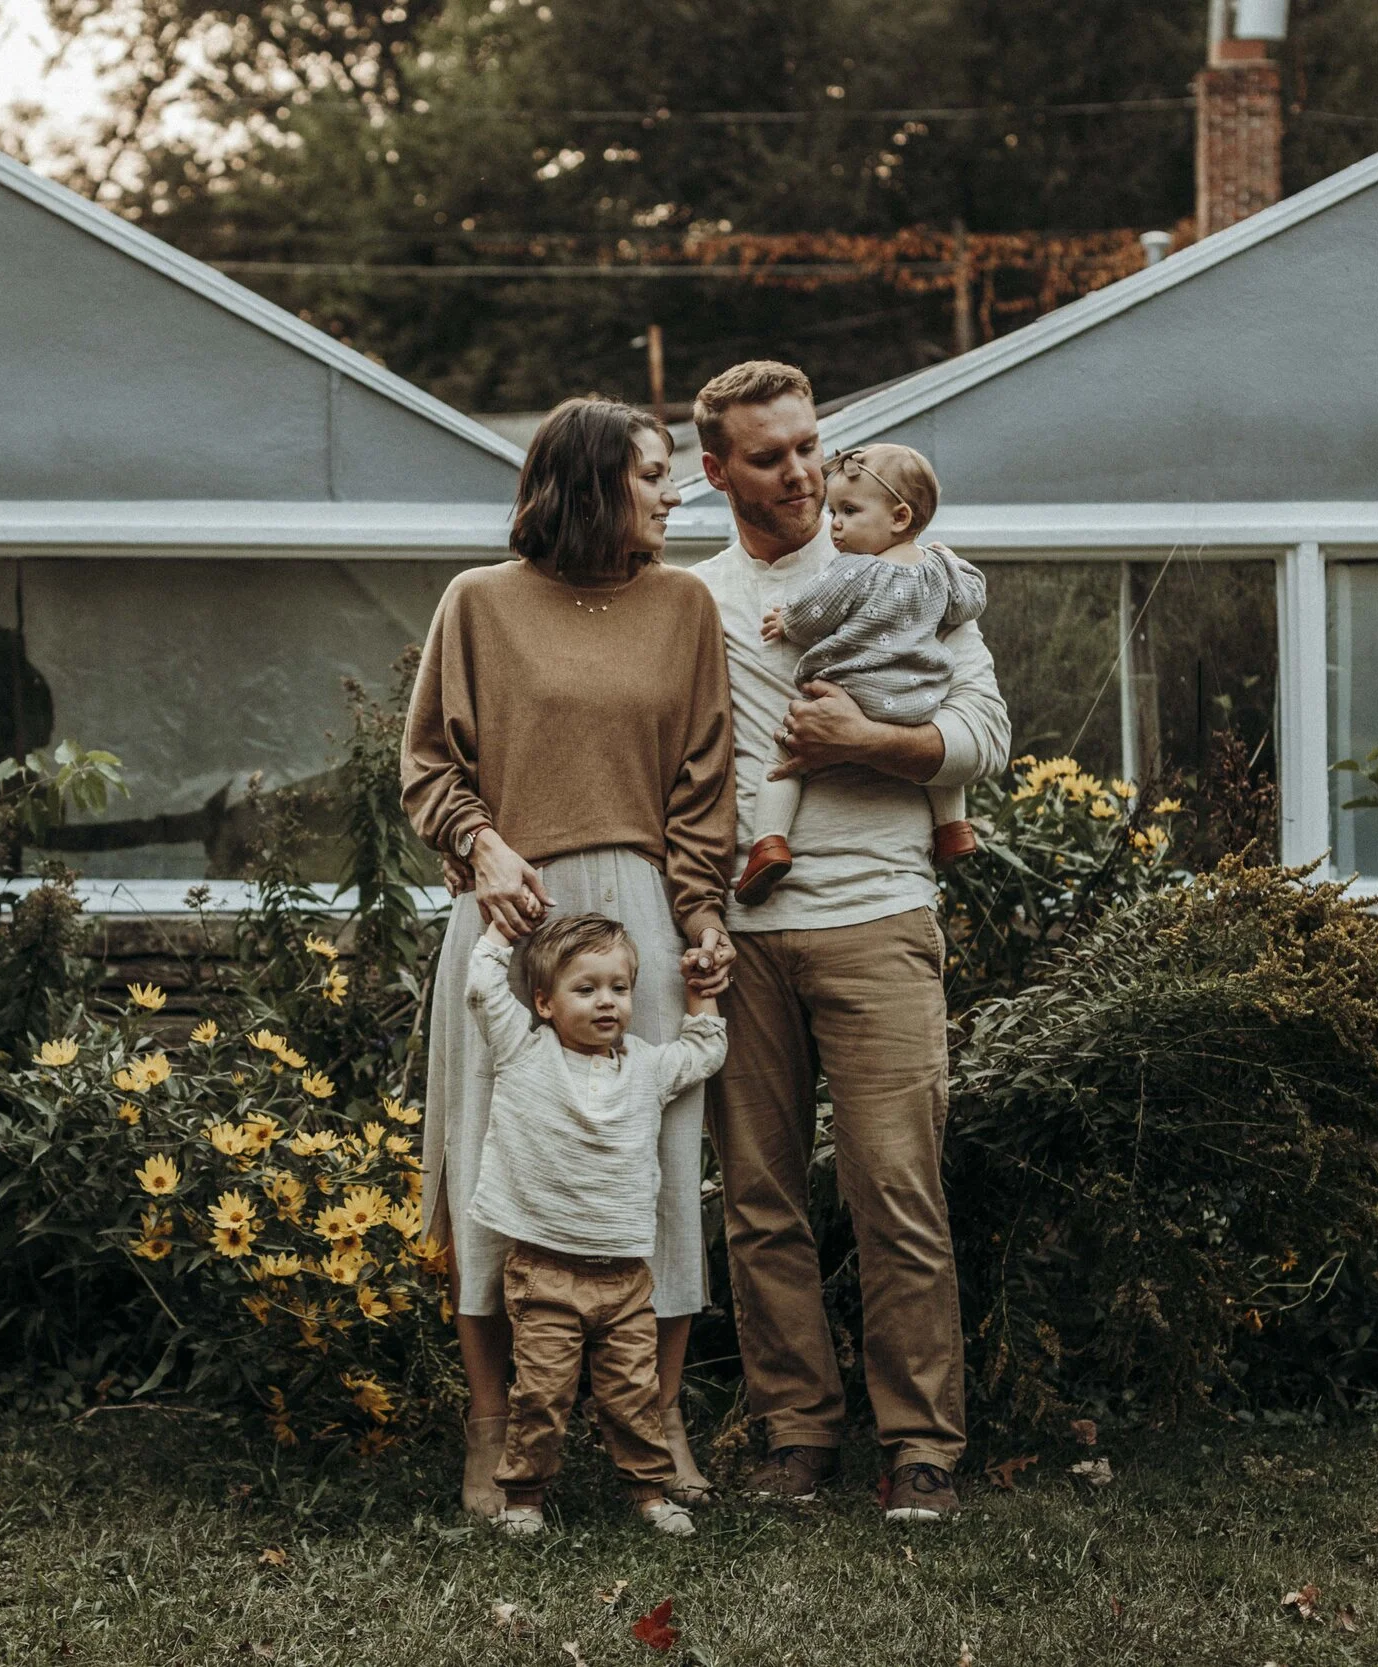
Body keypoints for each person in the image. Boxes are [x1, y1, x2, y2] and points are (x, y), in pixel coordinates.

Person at [402, 396, 739, 1521]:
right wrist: (481, 840)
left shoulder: (684, 605)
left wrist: (697, 913)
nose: (674, 491)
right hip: (508, 917)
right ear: (591, 483)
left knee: (656, 1161)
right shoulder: (478, 605)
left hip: (639, 912)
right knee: (494, 1157)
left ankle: (660, 1422)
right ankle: (493, 1430)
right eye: (653, 473)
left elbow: (701, 781)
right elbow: (426, 767)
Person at [686, 361, 1011, 1524]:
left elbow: (983, 732)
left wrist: (871, 738)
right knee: (760, 1199)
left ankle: (921, 1443)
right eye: (768, 456)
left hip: (878, 919)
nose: (803, 474)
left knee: (894, 1188)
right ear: (714, 471)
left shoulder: (900, 567)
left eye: (811, 446)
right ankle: (794, 1430)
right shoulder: (693, 600)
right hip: (741, 934)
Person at [462, 912, 728, 1538]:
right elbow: (480, 989)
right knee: (542, 1398)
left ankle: (650, 1493)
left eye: (619, 988)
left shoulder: (647, 1067)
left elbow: (705, 1050)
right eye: (585, 990)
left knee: (635, 1396)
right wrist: (500, 930)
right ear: (544, 1003)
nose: (606, 1002)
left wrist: (700, 990)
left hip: (626, 1278)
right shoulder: (523, 1050)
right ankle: (524, 1499)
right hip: (544, 1270)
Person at [739, 441, 988, 904]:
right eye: (834, 510)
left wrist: (786, 620)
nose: (833, 524)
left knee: (786, 757)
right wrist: (951, 559)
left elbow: (815, 612)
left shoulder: (855, 570)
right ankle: (953, 828)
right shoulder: (938, 570)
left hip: (855, 692)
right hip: (919, 701)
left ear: (898, 517)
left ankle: (769, 842)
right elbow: (972, 601)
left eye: (848, 511)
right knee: (935, 769)